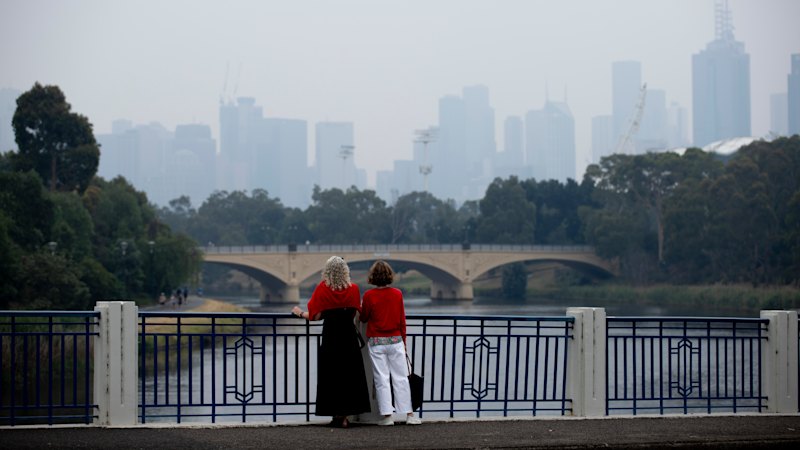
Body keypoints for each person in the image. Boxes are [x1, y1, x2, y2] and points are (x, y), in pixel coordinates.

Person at [291, 256, 371, 428]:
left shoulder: (323, 289)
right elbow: (358, 313)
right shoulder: (354, 289)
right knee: (349, 377)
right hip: (349, 338)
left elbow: (315, 316)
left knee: (332, 376)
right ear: (345, 271)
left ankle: (336, 414)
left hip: (331, 338)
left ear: (327, 271)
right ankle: (345, 415)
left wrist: (299, 312)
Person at [360, 260, 421, 426]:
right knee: (401, 378)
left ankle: (387, 416)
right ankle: (409, 415)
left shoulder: (369, 296)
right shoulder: (397, 294)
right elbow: (402, 321)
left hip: (377, 342)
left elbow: (364, 317)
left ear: (373, 277)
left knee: (382, 379)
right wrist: (404, 342)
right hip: (396, 341)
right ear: (389, 276)